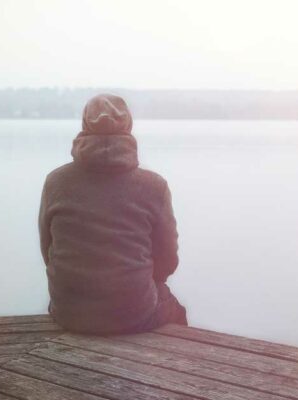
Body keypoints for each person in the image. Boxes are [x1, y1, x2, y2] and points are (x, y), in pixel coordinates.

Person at [38, 94, 187, 334]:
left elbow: (48, 250)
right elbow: (168, 260)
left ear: (84, 126)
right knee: (176, 311)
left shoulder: (55, 182)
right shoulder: (154, 186)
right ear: (128, 126)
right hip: (134, 313)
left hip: (69, 312)